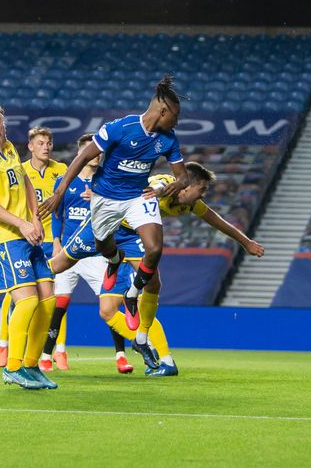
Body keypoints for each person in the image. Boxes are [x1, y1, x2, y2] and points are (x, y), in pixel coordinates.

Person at [40, 75, 188, 323]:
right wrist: (59, 193)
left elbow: (183, 178)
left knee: (154, 248)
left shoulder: (168, 139)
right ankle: (115, 260)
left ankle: (132, 294)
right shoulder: (120, 128)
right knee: (103, 246)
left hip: (138, 197)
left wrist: (163, 190)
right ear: (163, 111)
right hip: (105, 198)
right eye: (176, 115)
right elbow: (82, 158)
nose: (178, 121)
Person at [110, 163, 265, 377]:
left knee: (153, 283)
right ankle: (119, 276)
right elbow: (156, 185)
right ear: (185, 187)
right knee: (67, 264)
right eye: (201, 189)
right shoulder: (166, 185)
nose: (202, 196)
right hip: (114, 226)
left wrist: (246, 242)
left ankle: (142, 338)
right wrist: (156, 191)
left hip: (133, 234)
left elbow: (215, 220)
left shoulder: (190, 204)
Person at [0, 104, 56, 390]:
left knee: (47, 300)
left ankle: (31, 366)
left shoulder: (9, 149)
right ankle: (13, 367)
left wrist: (35, 218)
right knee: (28, 301)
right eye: (2, 122)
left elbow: (27, 183)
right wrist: (21, 224)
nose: (5, 127)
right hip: (6, 240)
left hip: (28, 234)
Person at [43, 134, 147, 374]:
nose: (98, 155)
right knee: (59, 306)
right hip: (70, 251)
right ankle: (47, 356)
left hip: (96, 254)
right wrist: (56, 242)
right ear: (81, 155)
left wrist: (99, 198)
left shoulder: (105, 181)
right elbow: (57, 215)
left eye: (100, 152)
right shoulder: (65, 182)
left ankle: (121, 356)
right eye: (92, 152)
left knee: (110, 304)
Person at [20, 127, 68, 370]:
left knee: (57, 296)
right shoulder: (20, 170)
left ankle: (58, 350)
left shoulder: (61, 170)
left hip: (56, 241)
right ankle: (6, 344)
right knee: (23, 295)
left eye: (49, 142)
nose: (46, 147)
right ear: (30, 146)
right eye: (40, 143)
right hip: (30, 240)